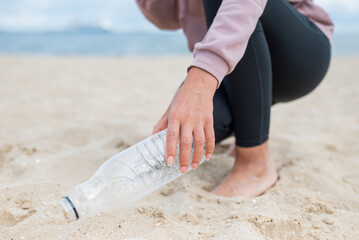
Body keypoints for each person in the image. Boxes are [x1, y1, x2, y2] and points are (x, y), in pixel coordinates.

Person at [136, 0, 334, 199]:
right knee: (185, 134)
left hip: (298, 53)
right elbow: (165, 19)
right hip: (237, 68)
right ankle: (249, 127)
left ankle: (255, 163)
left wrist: (202, 76)